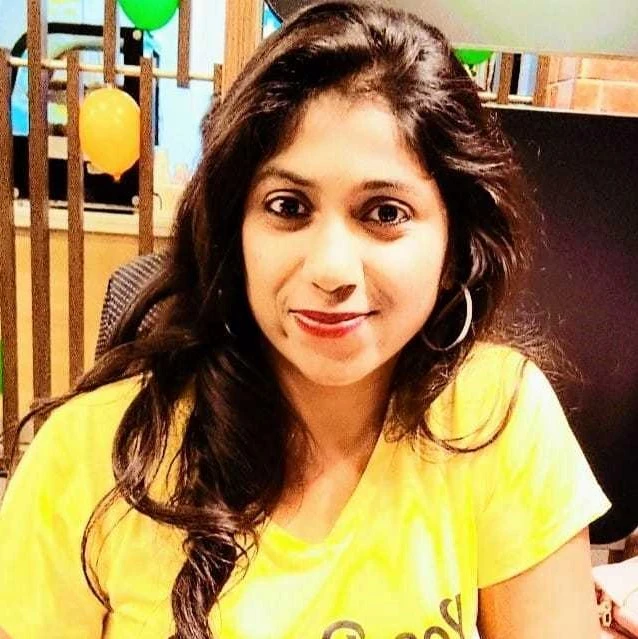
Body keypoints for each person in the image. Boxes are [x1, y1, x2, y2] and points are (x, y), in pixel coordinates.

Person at [0, 2, 611, 638]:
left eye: (385, 213)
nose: (331, 270)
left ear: (455, 248)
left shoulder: (495, 414)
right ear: (234, 230)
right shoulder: (87, 457)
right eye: (288, 207)